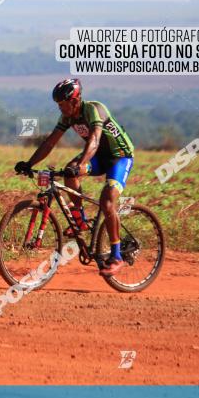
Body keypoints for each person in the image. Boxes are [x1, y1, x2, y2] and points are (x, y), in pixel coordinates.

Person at [14, 78, 135, 276]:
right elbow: (49, 143)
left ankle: (117, 256)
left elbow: (94, 140)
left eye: (62, 103)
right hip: (98, 156)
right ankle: (80, 220)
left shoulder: (94, 110)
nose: (60, 108)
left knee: (106, 202)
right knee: (69, 170)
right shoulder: (68, 117)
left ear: (75, 100)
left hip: (119, 157)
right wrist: (29, 163)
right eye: (58, 104)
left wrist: (81, 165)